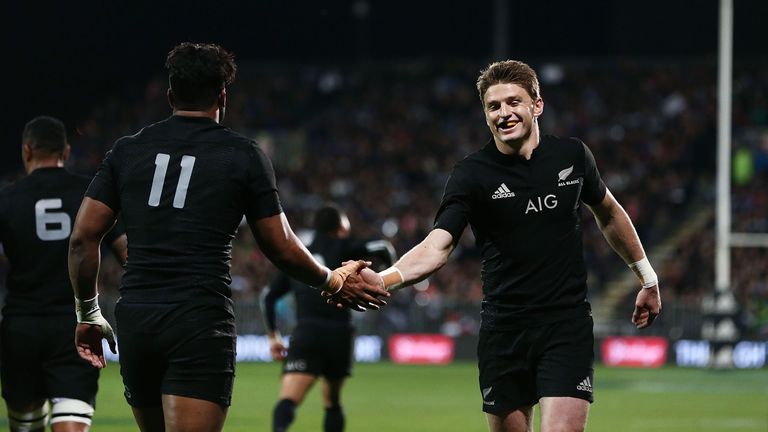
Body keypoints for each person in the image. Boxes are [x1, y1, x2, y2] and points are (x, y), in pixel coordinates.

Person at [67, 42, 388, 432]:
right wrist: (334, 280)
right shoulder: (242, 155)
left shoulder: (127, 151)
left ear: (170, 95)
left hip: (139, 319)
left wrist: (88, 313)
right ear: (222, 94)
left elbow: (83, 238)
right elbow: (280, 246)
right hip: (199, 321)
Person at [331, 60, 662, 432]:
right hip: (504, 332)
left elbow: (610, 213)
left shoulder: (572, 156)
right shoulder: (471, 174)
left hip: (565, 325)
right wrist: (385, 279)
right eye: (493, 106)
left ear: (537, 105)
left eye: (513, 102)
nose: (504, 113)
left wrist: (647, 278)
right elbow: (438, 246)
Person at [0, 116, 127, 432]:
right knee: (71, 422)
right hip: (76, 324)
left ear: (27, 150)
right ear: (66, 152)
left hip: (21, 326)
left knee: (26, 425)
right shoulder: (90, 193)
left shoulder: (6, 199)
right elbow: (129, 253)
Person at [263, 204, 396, 432]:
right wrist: (381, 282)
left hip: (307, 332)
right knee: (332, 401)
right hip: (339, 332)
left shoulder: (299, 257)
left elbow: (269, 297)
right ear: (341, 227)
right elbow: (383, 247)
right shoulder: (346, 246)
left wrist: (274, 337)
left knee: (288, 399)